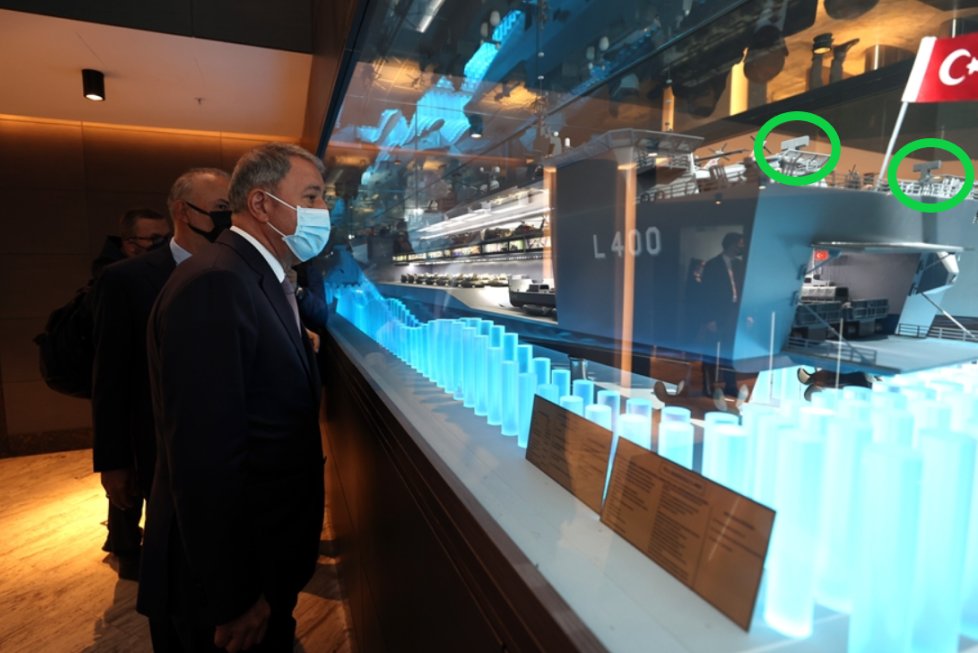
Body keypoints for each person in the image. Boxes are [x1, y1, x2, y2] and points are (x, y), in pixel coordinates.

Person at [138, 143, 330, 652]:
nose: (323, 211)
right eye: (312, 197)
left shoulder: (256, 274)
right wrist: (234, 595)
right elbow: (205, 456)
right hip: (231, 581)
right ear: (262, 203)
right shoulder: (218, 282)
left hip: (266, 556)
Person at [91, 169, 232, 581]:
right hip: (159, 446)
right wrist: (114, 461)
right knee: (173, 555)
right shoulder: (126, 280)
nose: (229, 218)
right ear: (183, 212)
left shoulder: (238, 271)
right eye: (221, 208)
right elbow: (111, 377)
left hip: (228, 445)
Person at [698, 232, 745, 396]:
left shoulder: (739, 265)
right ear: (731, 244)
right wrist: (709, 319)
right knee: (710, 350)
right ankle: (708, 385)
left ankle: (730, 385)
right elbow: (705, 294)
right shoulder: (712, 265)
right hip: (717, 314)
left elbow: (742, 289)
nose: (740, 248)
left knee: (729, 350)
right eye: (739, 244)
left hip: (733, 313)